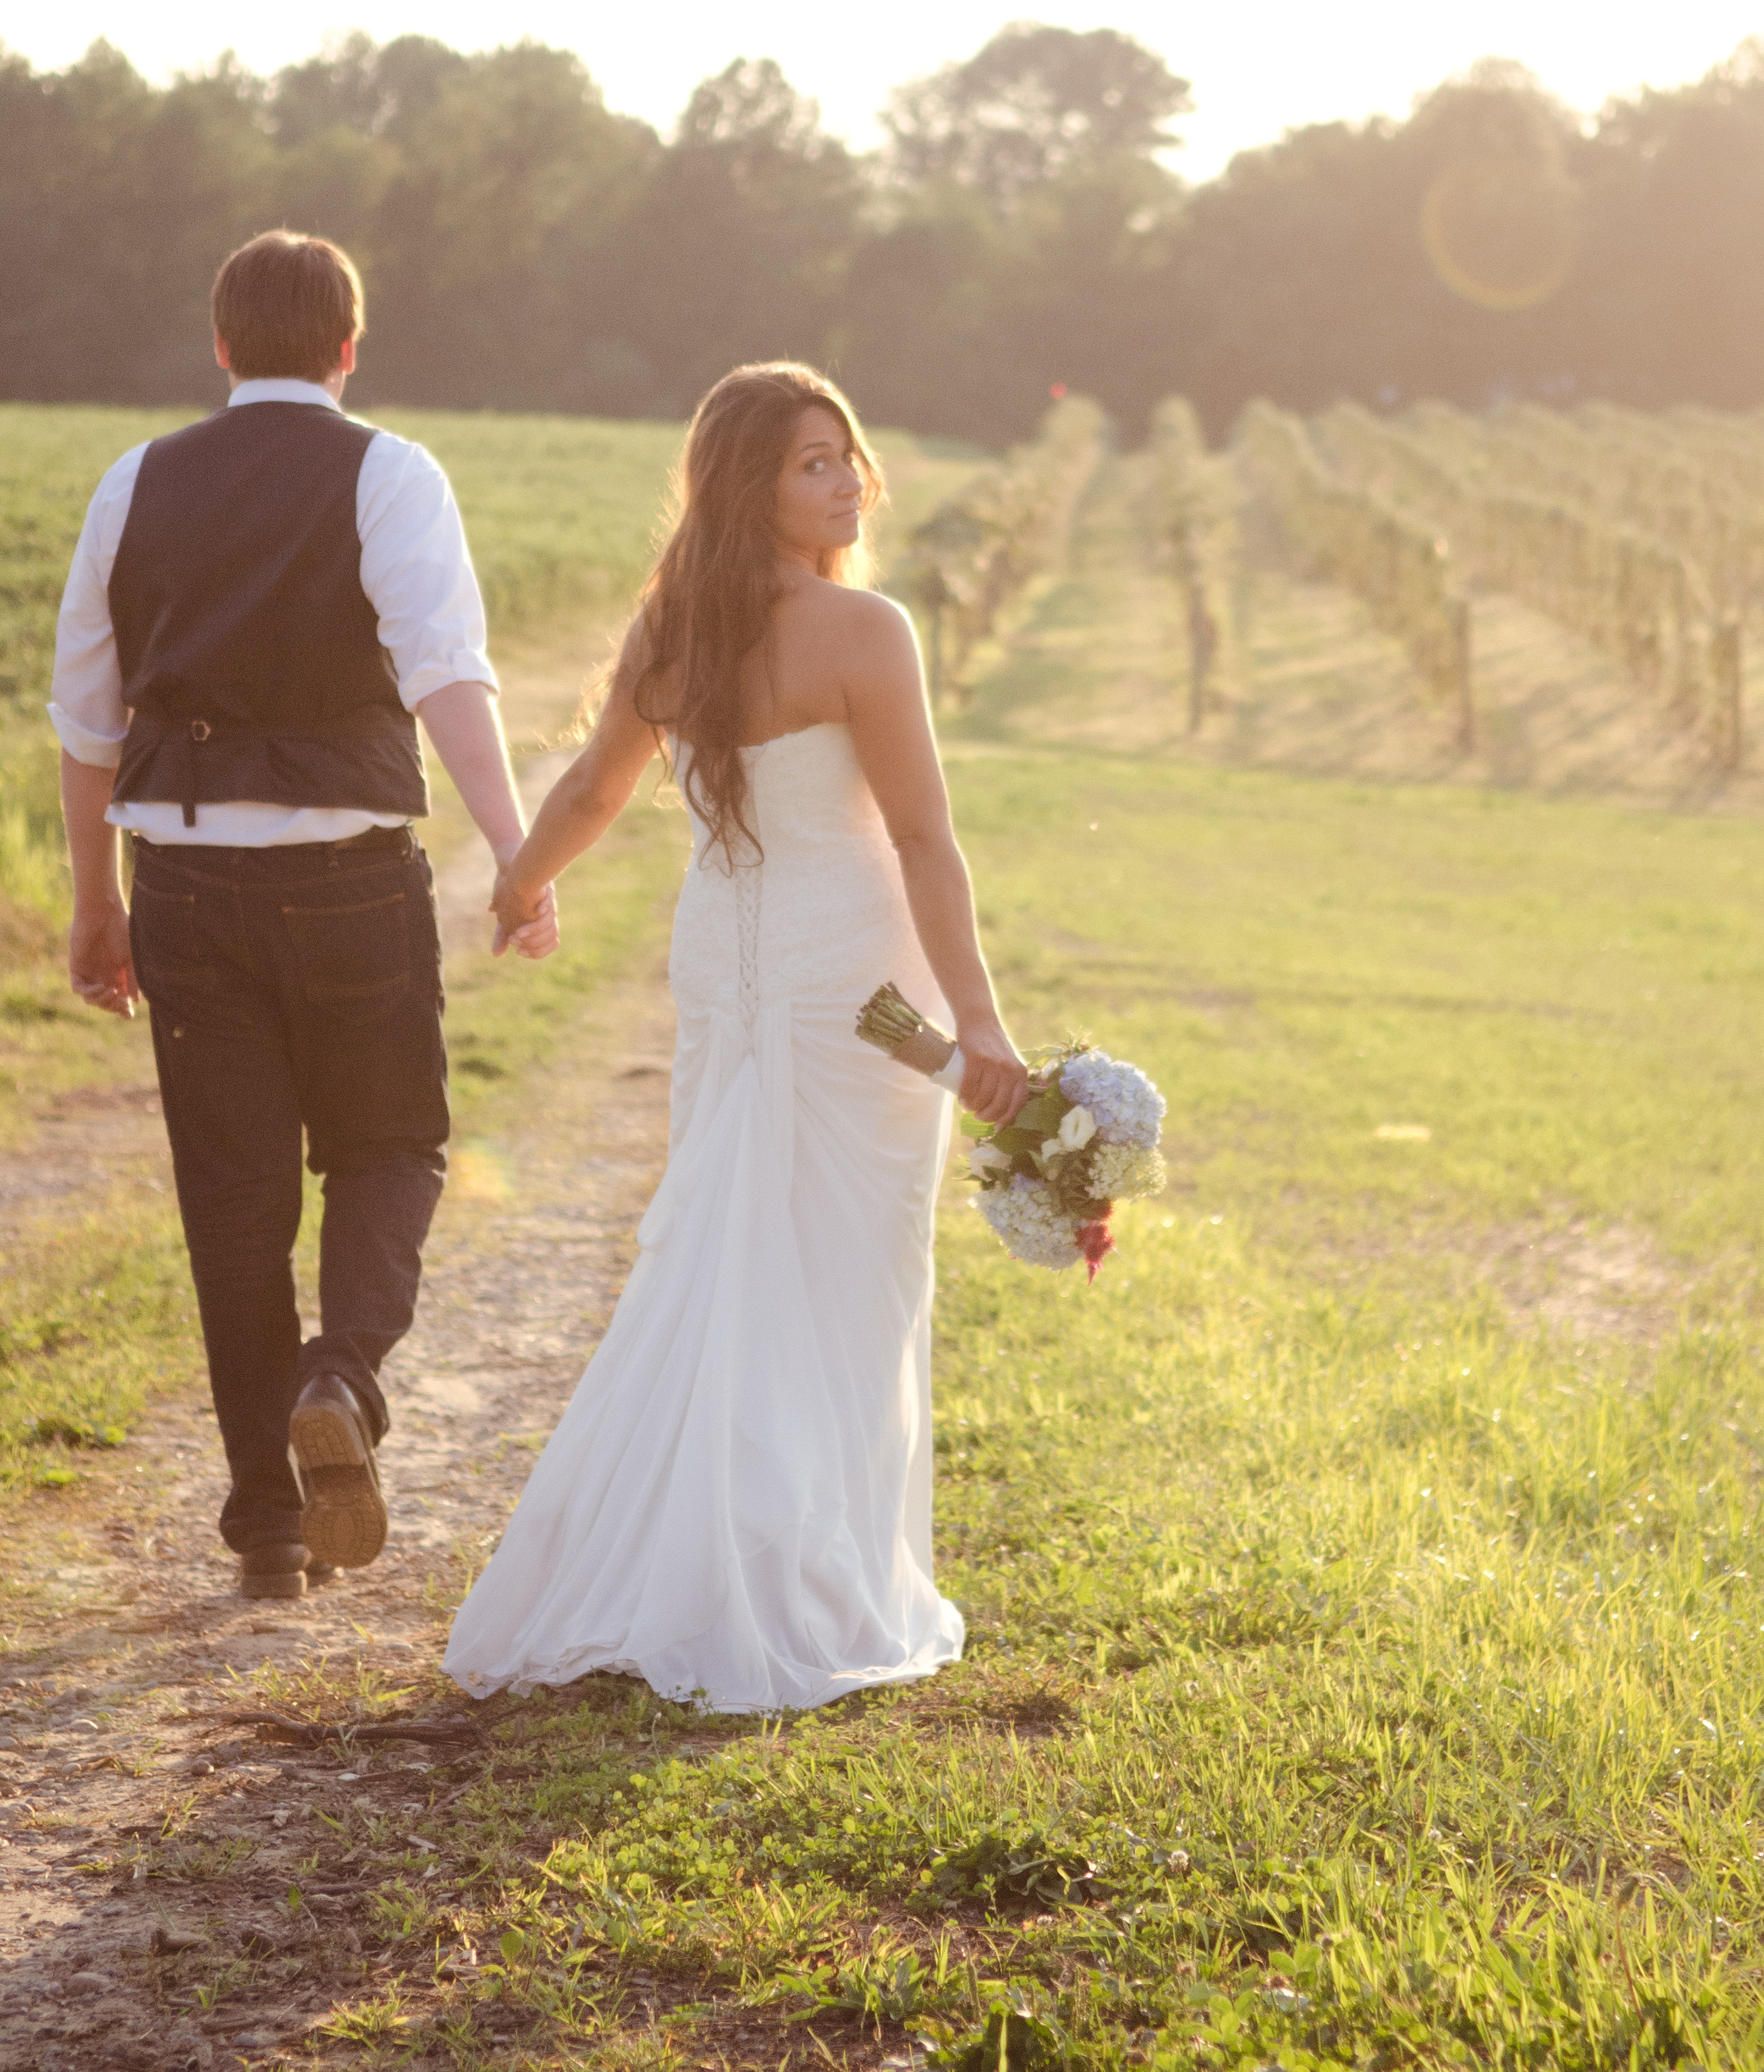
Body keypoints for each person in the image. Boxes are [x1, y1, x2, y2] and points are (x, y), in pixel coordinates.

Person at [444, 361, 1030, 1711]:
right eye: (812, 463)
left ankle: (720, 1552)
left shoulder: (673, 631)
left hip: (738, 952)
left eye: (849, 457)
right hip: (843, 970)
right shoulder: (865, 630)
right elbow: (926, 839)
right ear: (747, 487)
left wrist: (527, 881)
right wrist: (982, 1020)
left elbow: (595, 790)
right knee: (832, 1262)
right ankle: (791, 1573)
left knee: (734, 1244)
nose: (847, 482)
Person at [51, 230, 557, 1603]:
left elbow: (88, 720)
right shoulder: (391, 473)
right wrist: (518, 851)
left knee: (233, 1200)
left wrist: (97, 899)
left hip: (187, 878)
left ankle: (270, 1526)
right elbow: (448, 674)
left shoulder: (133, 480)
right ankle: (341, 1380)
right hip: (346, 871)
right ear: (349, 347)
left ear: (221, 347)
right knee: (391, 1144)